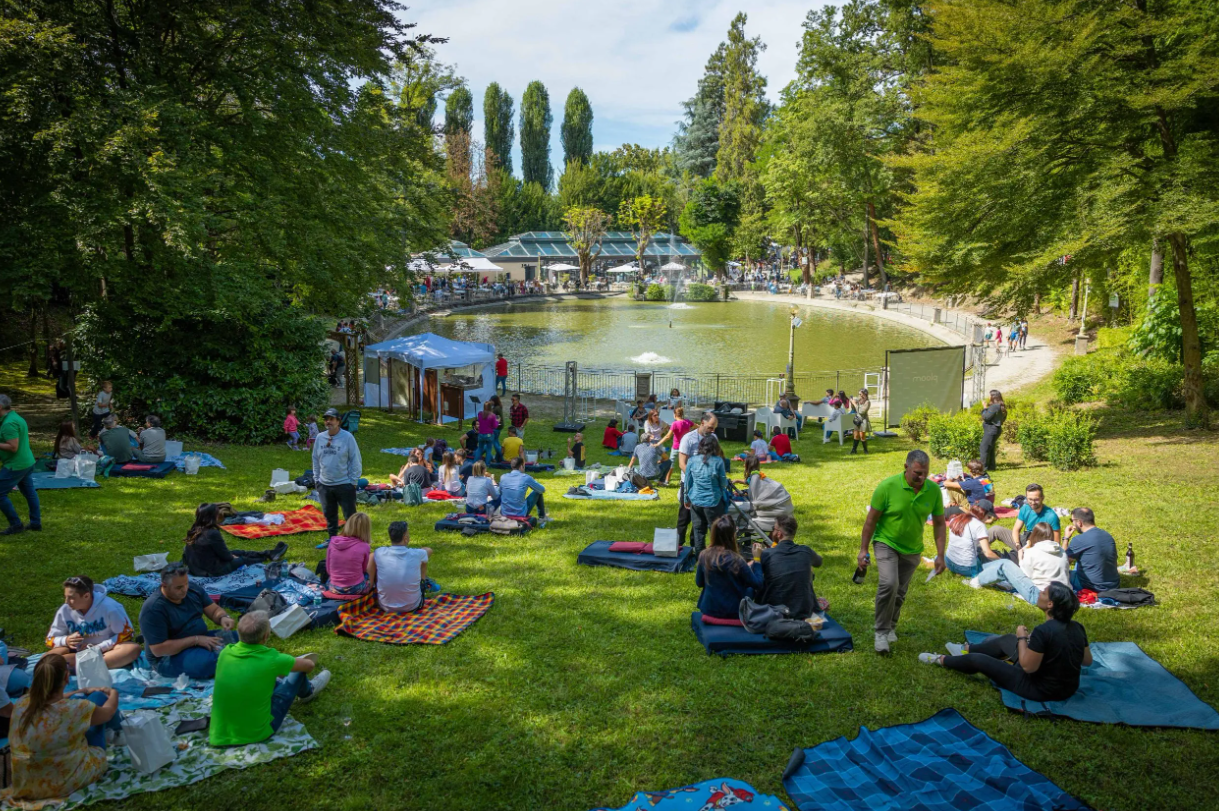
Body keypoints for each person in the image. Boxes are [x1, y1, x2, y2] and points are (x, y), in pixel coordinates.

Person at [920, 582, 1091, 702]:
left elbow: (1028, 667)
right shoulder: (1077, 627)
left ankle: (941, 660)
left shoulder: (1044, 631)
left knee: (979, 660)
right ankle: (965, 649)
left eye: (1044, 593)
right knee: (1008, 640)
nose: (1040, 593)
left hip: (1038, 689)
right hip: (1068, 688)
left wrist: (1022, 638)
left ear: (1050, 604)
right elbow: (1086, 660)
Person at [859, 450, 947, 655]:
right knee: (889, 584)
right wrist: (863, 549)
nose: (922, 477)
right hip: (886, 542)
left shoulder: (933, 490)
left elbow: (940, 524)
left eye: (925, 473)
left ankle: (891, 626)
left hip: (912, 548)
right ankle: (881, 633)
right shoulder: (887, 487)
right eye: (917, 473)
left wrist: (940, 554)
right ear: (906, 467)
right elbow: (871, 520)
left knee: (899, 593)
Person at [7, 653, 120, 803]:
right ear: (67, 678)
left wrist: (78, 692)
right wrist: (113, 693)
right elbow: (108, 713)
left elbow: (51, 700)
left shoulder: (22, 703)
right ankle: (119, 730)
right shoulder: (75, 710)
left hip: (27, 783)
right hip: (65, 782)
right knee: (99, 697)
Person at [210, 611, 330, 747]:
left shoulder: (226, 652)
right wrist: (289, 664)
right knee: (298, 672)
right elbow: (309, 665)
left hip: (219, 734)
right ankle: (308, 692)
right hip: (257, 732)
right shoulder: (272, 659)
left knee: (265, 677)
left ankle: (285, 682)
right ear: (266, 636)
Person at [139, 566, 237, 679]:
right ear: (164, 586)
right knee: (209, 663)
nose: (185, 589)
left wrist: (223, 617)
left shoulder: (193, 589)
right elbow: (159, 650)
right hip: (168, 657)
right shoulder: (153, 609)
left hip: (201, 639)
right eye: (179, 587)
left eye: (186, 584)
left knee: (240, 639)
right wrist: (196, 640)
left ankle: (231, 660)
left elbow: (214, 610)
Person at [45, 576, 141, 671]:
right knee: (49, 657)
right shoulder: (64, 610)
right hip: (75, 650)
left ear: (86, 596)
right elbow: (49, 639)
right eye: (65, 597)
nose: (66, 602)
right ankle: (81, 666)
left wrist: (99, 648)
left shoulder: (111, 608)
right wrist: (66, 640)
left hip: (105, 652)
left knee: (132, 649)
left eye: (71, 598)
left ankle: (68, 666)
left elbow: (126, 634)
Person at [182, 502, 287, 577]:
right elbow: (226, 556)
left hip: (198, 566)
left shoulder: (194, 529)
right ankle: (267, 557)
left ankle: (269, 553)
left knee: (239, 552)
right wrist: (234, 558)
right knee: (242, 559)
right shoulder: (212, 533)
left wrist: (232, 555)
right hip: (211, 570)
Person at [695, 515, 764, 620]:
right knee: (751, 588)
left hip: (709, 609)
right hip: (734, 611)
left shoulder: (704, 555)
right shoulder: (737, 560)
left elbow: (699, 583)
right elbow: (758, 584)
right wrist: (757, 560)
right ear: (733, 536)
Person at [756, 515, 823, 620]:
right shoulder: (805, 551)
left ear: (779, 534)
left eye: (773, 529)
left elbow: (755, 578)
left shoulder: (767, 554)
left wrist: (756, 557)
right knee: (809, 572)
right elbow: (819, 562)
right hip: (804, 614)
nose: (772, 532)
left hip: (773, 613)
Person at [312, 407, 362, 543]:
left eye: (331, 419)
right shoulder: (320, 437)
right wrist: (317, 480)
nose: (328, 422)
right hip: (324, 484)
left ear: (338, 421)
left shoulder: (347, 437)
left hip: (344, 483)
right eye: (326, 419)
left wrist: (353, 481)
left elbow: (355, 459)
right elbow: (315, 459)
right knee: (329, 515)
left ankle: (354, 541)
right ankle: (332, 539)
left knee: (350, 515)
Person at [0, 394, 41, 535]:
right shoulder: (15, 417)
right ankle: (36, 523)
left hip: (16, 465)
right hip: (27, 462)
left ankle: (16, 524)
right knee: (30, 493)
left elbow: (13, 447)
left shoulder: (8, 424)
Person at [368, 521, 432, 613]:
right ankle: (423, 581)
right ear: (405, 538)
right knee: (423, 560)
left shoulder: (379, 553)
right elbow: (429, 550)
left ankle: (373, 585)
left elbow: (373, 556)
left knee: (372, 557)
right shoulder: (417, 554)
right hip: (412, 605)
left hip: (385, 606)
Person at [683, 433, 730, 556]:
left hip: (696, 501)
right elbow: (723, 482)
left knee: (698, 531)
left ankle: (700, 558)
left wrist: (686, 498)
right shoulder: (718, 461)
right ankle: (716, 557)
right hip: (713, 501)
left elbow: (687, 482)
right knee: (715, 531)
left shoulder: (692, 460)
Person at [676, 412, 718, 547]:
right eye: (711, 427)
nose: (713, 431)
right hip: (689, 483)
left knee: (700, 520)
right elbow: (682, 463)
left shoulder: (714, 438)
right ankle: (678, 545)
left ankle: (696, 547)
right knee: (684, 517)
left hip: (705, 485)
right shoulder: (688, 439)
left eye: (714, 428)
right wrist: (694, 478)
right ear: (702, 422)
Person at [1063, 507, 1120, 592]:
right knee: (1080, 561)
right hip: (1113, 585)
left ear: (1079, 522)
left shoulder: (1079, 540)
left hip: (1092, 587)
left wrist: (1066, 538)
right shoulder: (1107, 536)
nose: (1073, 524)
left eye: (1072, 521)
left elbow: (1063, 563)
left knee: (1058, 576)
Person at [990, 483, 1061, 550]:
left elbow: (1056, 543)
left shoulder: (1051, 516)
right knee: (996, 530)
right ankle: (979, 548)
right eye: (1030, 499)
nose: (1033, 503)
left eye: (1036, 500)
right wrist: (1018, 545)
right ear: (1026, 498)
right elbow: (1016, 530)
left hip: (1041, 548)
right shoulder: (1025, 508)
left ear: (1042, 498)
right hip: (1025, 541)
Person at [324, 511, 372, 595]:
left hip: (333, 587)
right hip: (355, 589)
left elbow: (328, 569)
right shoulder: (364, 546)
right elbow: (364, 569)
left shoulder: (333, 542)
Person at [499, 456, 547, 522]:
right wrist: (533, 482)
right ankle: (542, 517)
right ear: (521, 466)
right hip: (520, 513)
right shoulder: (526, 478)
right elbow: (542, 490)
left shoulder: (503, 477)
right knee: (537, 492)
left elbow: (499, 493)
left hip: (505, 513)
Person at [657, 407, 693, 484]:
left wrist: (658, 443)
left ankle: (666, 480)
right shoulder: (687, 422)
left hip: (676, 447)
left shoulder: (675, 424)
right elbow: (697, 426)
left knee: (671, 463)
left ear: (674, 415)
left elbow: (667, 436)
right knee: (685, 464)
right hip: (686, 447)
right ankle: (686, 480)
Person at [980, 390, 1007, 471]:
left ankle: (982, 469)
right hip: (995, 429)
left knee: (984, 447)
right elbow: (1003, 418)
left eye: (990, 395)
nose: (989, 397)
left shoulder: (995, 406)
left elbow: (986, 417)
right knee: (990, 448)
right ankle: (992, 467)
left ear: (993, 397)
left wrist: (984, 408)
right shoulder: (1000, 406)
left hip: (991, 430)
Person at [850, 389, 871, 455]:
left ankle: (865, 450)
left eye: (860, 394)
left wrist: (854, 404)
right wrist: (852, 403)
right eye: (859, 394)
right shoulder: (859, 401)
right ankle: (854, 450)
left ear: (864, 394)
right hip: (857, 420)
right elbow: (853, 409)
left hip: (863, 420)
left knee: (862, 436)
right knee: (855, 435)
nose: (859, 395)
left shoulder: (867, 402)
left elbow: (861, 411)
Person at [488, 395, 506, 461]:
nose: (490, 402)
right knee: (496, 441)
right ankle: (498, 457)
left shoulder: (496, 409)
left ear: (494, 401)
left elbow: (489, 415)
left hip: (496, 427)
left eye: (491, 401)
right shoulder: (498, 407)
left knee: (494, 442)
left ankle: (501, 456)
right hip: (499, 426)